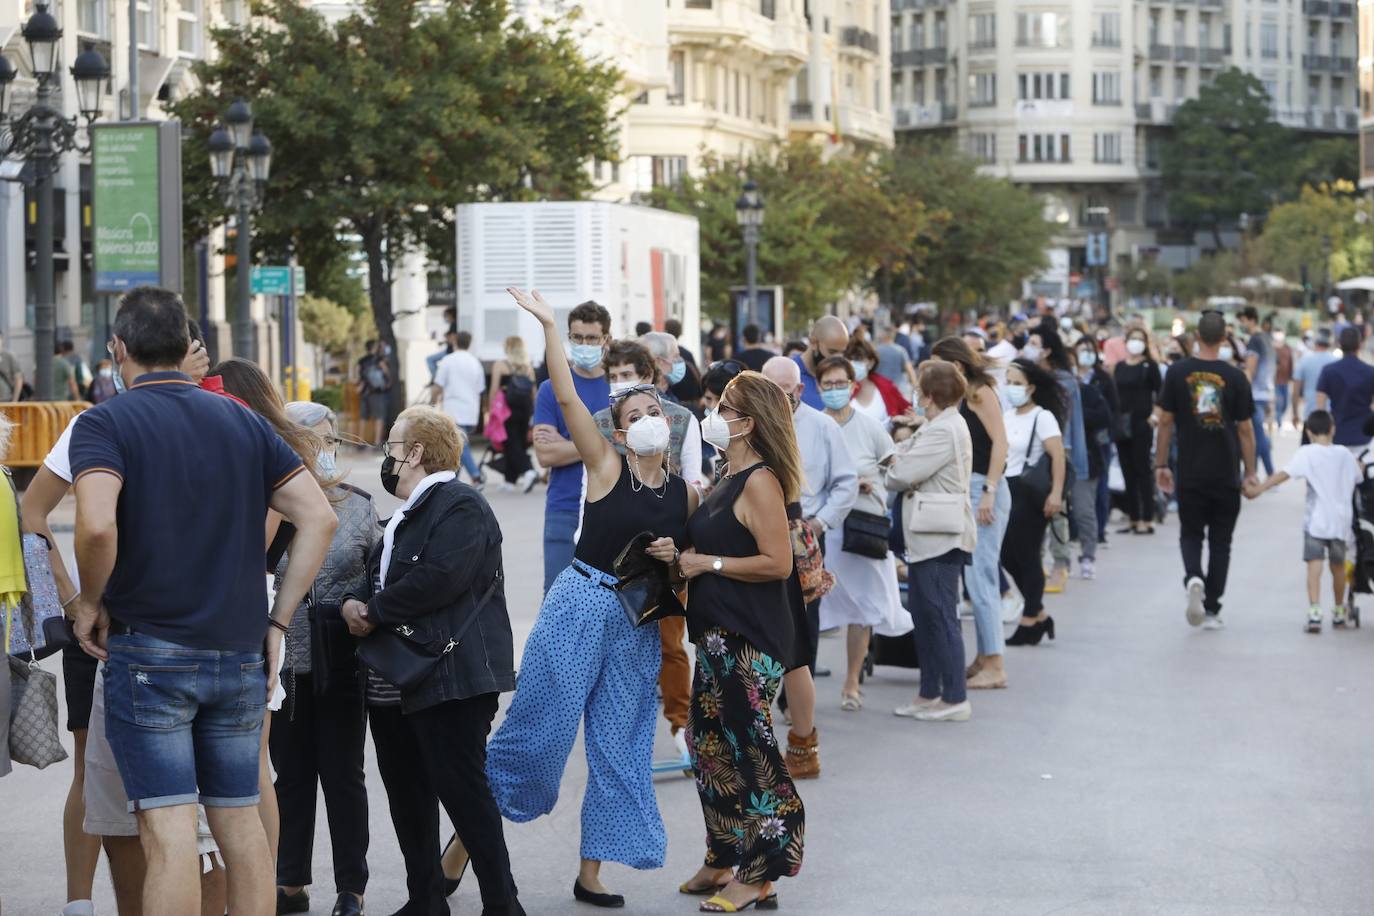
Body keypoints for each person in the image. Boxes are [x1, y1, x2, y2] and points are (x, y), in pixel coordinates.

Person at [68, 287, 337, 916]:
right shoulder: (243, 419)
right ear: (184, 345)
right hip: (240, 651)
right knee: (241, 824)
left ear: (120, 348)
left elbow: (97, 526)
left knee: (168, 834)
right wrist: (278, 621)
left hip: (151, 652)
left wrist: (89, 602)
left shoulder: (104, 423)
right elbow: (318, 518)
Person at [487, 288, 698, 908]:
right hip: (580, 604)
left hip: (635, 622)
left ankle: (591, 874)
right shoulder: (605, 463)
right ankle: (464, 847)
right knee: (539, 732)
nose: (641, 419)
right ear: (618, 428)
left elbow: (685, 574)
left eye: (648, 408)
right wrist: (552, 328)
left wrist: (674, 563)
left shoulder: (684, 493)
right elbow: (568, 389)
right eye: (628, 414)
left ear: (666, 415)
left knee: (621, 743)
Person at [23, 329, 226, 916]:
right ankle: (81, 902)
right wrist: (75, 599)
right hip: (108, 629)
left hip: (183, 626)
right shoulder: (97, 423)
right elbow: (33, 512)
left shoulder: (222, 419)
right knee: (99, 770)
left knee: (192, 789)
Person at [342, 405, 523, 916]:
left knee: (465, 795)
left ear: (416, 453)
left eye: (392, 448)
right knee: (408, 796)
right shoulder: (407, 514)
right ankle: (425, 899)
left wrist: (372, 610)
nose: (387, 458)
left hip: (449, 678)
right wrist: (356, 600)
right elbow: (381, 574)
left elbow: (441, 577)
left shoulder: (459, 504)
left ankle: (502, 904)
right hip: (395, 680)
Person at [671, 370, 805, 913]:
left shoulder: (760, 482)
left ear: (747, 422)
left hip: (749, 641)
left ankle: (763, 870)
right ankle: (723, 854)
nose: (713, 412)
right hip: (716, 639)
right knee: (709, 749)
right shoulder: (729, 473)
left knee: (751, 752)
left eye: (722, 406)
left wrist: (710, 563)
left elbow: (779, 563)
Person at [270, 402, 375, 916]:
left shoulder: (358, 506)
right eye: (317, 441)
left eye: (333, 440)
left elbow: (380, 579)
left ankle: (351, 887)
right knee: (289, 777)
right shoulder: (270, 506)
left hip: (342, 663)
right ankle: (290, 881)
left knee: (343, 775)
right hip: (283, 666)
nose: (328, 450)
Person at [591, 338, 704, 763]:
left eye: (629, 375)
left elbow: (695, 482)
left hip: (665, 552)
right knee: (618, 649)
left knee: (671, 643)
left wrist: (679, 548)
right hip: (613, 555)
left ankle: (679, 723)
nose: (621, 384)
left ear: (649, 376)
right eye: (614, 376)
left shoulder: (680, 419)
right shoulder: (604, 423)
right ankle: (618, 729)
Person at [761, 356, 857, 778]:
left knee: (802, 632)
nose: (775, 399)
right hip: (758, 535)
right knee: (764, 628)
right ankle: (772, 710)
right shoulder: (751, 422)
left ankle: (799, 725)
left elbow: (846, 482)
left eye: (783, 391)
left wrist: (817, 523)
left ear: (799, 391)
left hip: (803, 535)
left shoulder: (822, 427)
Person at [886, 361, 978, 721]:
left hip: (940, 536)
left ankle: (954, 697)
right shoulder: (938, 424)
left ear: (929, 395)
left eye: (920, 388)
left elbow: (902, 472)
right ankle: (930, 692)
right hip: (927, 535)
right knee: (925, 615)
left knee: (940, 615)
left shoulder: (945, 429)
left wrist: (894, 464)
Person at [1156, 310, 1258, 630]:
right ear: (1225, 339)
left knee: (1190, 533)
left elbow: (1165, 421)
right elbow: (1245, 429)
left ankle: (1193, 578)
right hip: (1226, 471)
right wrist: (1250, 471)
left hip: (1190, 469)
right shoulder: (1237, 377)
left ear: (1196, 338)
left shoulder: (1176, 373)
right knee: (1221, 541)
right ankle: (1212, 607)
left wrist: (1161, 464)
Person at [813, 357, 903, 709]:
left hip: (862, 529)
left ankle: (851, 682)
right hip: (823, 529)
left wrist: (871, 486)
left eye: (841, 383)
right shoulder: (811, 425)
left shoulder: (870, 427)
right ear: (818, 388)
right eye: (828, 384)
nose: (835, 390)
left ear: (853, 385)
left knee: (862, 607)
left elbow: (893, 469)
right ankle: (797, 693)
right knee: (813, 609)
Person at [929, 337, 1011, 689]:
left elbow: (1001, 443)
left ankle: (995, 664)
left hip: (983, 489)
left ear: (956, 366)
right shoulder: (958, 396)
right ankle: (984, 655)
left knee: (982, 579)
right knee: (973, 577)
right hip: (967, 490)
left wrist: (989, 491)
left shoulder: (980, 392)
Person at [1247, 410, 1360, 632]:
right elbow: (1358, 476)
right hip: (1341, 522)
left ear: (1308, 432)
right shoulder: (1345, 454)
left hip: (1316, 521)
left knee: (1314, 565)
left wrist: (1259, 489)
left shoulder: (1307, 453)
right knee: (1338, 567)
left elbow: (1284, 474)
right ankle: (1339, 610)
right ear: (1332, 429)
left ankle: (1315, 610)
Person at [532, 301, 612, 593]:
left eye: (591, 338)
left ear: (606, 340)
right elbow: (545, 454)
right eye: (577, 338)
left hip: (611, 508)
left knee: (608, 606)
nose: (584, 344)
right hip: (562, 507)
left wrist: (568, 444)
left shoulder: (619, 389)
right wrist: (606, 442)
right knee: (557, 600)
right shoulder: (550, 389)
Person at [1001, 359, 1067, 647]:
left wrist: (1057, 494)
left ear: (1031, 387)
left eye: (1017, 383)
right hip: (1007, 488)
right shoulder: (1006, 415)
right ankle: (1038, 612)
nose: (1011, 388)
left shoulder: (1042, 417)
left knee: (1028, 555)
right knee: (1006, 555)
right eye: (1008, 382)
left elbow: (1058, 456)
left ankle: (1029, 619)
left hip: (1031, 491)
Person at [1026, 323, 1090, 592]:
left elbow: (1069, 423)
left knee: (1058, 510)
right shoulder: (1028, 377)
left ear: (1047, 350)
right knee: (1031, 511)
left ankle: (1060, 565)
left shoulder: (1063, 381)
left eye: (1034, 343)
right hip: (1029, 452)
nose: (1029, 347)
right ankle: (1036, 563)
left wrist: (1067, 457)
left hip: (1057, 451)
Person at [1112, 325, 1162, 534]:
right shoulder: (1120, 366)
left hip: (1142, 422)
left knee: (1142, 469)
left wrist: (1155, 416)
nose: (1136, 342)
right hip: (1122, 424)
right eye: (1132, 338)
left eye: (1140, 339)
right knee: (1127, 470)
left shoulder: (1150, 366)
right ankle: (1133, 517)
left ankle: (1147, 518)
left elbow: (1161, 392)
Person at [1077, 336, 1120, 551]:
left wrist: (1082, 416)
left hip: (1099, 440)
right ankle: (1077, 533)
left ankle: (1100, 531)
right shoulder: (1070, 379)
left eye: (1089, 349)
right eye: (1081, 349)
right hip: (1076, 441)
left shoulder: (1103, 378)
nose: (1085, 353)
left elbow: (1110, 411)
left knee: (1100, 486)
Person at [433, 330, 488, 487]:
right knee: (458, 446)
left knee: (460, 446)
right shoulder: (475, 362)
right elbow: (481, 389)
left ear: (455, 341)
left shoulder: (448, 360)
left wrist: (431, 404)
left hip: (453, 409)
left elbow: (438, 385)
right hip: (471, 410)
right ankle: (452, 481)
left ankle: (476, 476)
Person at [490, 335, 538, 492]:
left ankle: (529, 470)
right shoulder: (527, 366)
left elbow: (494, 389)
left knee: (510, 443)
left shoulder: (501, 365)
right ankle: (510, 481)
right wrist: (535, 411)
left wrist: (491, 410)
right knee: (518, 442)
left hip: (507, 410)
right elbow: (533, 391)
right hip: (525, 409)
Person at [1316, 326, 1374, 454]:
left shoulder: (1328, 371)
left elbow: (1320, 407)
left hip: (1337, 434)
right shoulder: (1370, 372)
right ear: (1360, 345)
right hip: (1364, 436)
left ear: (1339, 344)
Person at [1239, 306, 1276, 476]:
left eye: (1243, 321)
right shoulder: (1267, 339)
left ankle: (1269, 472)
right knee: (1257, 433)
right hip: (1266, 391)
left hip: (1255, 393)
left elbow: (1250, 369)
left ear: (1251, 320)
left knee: (1257, 435)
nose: (1242, 324)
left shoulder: (1255, 340)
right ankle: (1255, 471)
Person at [846, 335, 910, 423]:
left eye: (859, 359)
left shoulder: (887, 387)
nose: (854, 364)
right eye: (850, 360)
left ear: (871, 363)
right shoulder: (840, 390)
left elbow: (907, 411)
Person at [792, 315, 851, 410]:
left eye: (842, 353)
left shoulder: (844, 375)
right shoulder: (790, 374)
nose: (837, 359)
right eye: (832, 352)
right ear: (813, 343)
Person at [1292, 328, 1338, 428]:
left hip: (1310, 416)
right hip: (1331, 417)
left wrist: (1295, 414)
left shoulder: (1304, 360)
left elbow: (1295, 391)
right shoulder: (1336, 361)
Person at [357, 339, 393, 447]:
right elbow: (386, 372)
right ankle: (377, 442)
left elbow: (357, 376)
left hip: (364, 392)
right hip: (377, 392)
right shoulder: (379, 360)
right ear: (374, 348)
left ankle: (360, 441)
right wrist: (388, 383)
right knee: (379, 417)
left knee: (363, 417)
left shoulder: (361, 360)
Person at [874, 325, 919, 398]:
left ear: (883, 335)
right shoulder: (901, 350)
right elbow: (910, 370)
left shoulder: (875, 351)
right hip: (899, 388)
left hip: (880, 389)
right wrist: (916, 388)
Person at [1273, 324, 1294, 432]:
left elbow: (1291, 362)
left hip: (1285, 381)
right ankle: (1279, 422)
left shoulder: (1287, 348)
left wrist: (1291, 376)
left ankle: (1279, 418)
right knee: (1279, 402)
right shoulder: (1272, 348)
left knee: (1285, 403)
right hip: (1275, 381)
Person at [0, 330, 23, 401]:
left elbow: (18, 379)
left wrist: (14, 400)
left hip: (6, 401)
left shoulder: (9, 356)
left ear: (2, 339)